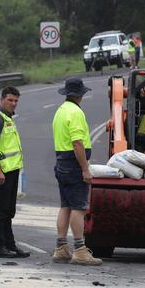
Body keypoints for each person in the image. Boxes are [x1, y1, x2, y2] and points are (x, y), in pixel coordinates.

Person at [51, 77, 101, 266]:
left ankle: (61, 247)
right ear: (80, 94)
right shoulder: (76, 113)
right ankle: (80, 250)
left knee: (66, 205)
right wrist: (85, 169)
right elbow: (77, 143)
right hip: (73, 165)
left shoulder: (60, 111)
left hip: (61, 163)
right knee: (79, 208)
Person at [0, 86, 30, 258]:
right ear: (2, 99)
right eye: (10, 100)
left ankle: (9, 244)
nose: (13, 103)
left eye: (16, 101)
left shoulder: (7, 118)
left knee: (8, 210)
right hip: (1, 172)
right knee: (0, 210)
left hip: (11, 171)